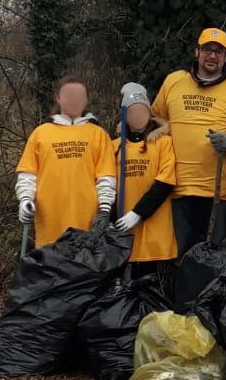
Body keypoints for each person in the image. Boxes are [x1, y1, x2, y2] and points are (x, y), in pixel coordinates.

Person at [150, 27, 226, 254]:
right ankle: (181, 290)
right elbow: (156, 118)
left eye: (219, 51)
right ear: (196, 51)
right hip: (176, 186)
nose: (212, 55)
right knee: (180, 255)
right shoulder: (174, 81)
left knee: (213, 257)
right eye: (207, 49)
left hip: (218, 192)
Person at [14, 76, 117, 248]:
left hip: (87, 226)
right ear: (58, 98)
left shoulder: (98, 135)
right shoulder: (41, 133)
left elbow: (106, 178)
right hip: (50, 225)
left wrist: (104, 209)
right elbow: (28, 175)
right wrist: (25, 200)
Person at [112, 82, 178, 278]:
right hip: (124, 237)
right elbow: (107, 186)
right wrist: (109, 219)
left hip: (155, 236)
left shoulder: (163, 143)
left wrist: (138, 213)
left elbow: (164, 182)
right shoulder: (114, 147)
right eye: (132, 112)